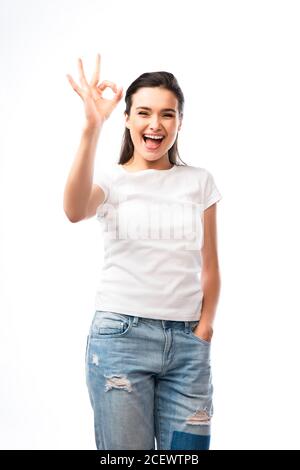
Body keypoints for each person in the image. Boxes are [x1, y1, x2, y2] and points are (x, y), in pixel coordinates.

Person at [64, 54, 222, 450]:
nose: (155, 124)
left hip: (188, 345)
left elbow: (210, 266)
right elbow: (73, 210)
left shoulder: (199, 182)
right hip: (121, 340)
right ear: (129, 119)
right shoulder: (111, 181)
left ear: (179, 122)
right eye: (144, 113)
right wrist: (90, 128)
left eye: (167, 115)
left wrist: (204, 330)